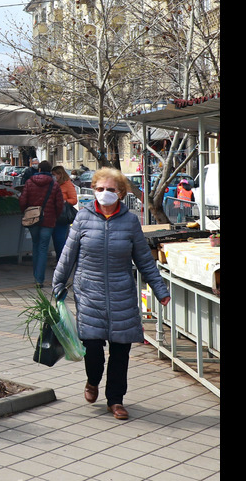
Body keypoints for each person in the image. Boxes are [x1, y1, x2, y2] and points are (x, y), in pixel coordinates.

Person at [52, 167, 171, 421]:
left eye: (111, 189)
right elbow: (67, 254)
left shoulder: (129, 222)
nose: (105, 193)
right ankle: (93, 380)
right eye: (100, 189)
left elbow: (144, 260)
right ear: (94, 190)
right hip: (89, 293)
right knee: (92, 347)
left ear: (121, 193)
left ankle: (115, 400)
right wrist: (58, 283)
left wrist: (160, 289)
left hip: (122, 294)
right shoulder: (83, 218)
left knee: (121, 350)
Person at [18, 160, 64, 286]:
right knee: (43, 248)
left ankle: (36, 276)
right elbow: (59, 204)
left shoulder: (29, 182)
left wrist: (26, 212)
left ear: (38, 169)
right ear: (50, 171)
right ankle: (39, 279)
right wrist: (55, 216)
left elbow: (22, 200)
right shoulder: (54, 185)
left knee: (35, 246)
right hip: (48, 221)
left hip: (32, 219)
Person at [51, 165, 78, 257]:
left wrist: (64, 201)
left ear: (60, 174)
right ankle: (58, 259)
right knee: (55, 239)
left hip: (62, 215)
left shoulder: (67, 184)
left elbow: (74, 200)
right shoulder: (53, 184)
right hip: (52, 214)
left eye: (54, 175)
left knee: (60, 239)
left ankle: (62, 260)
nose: (53, 177)